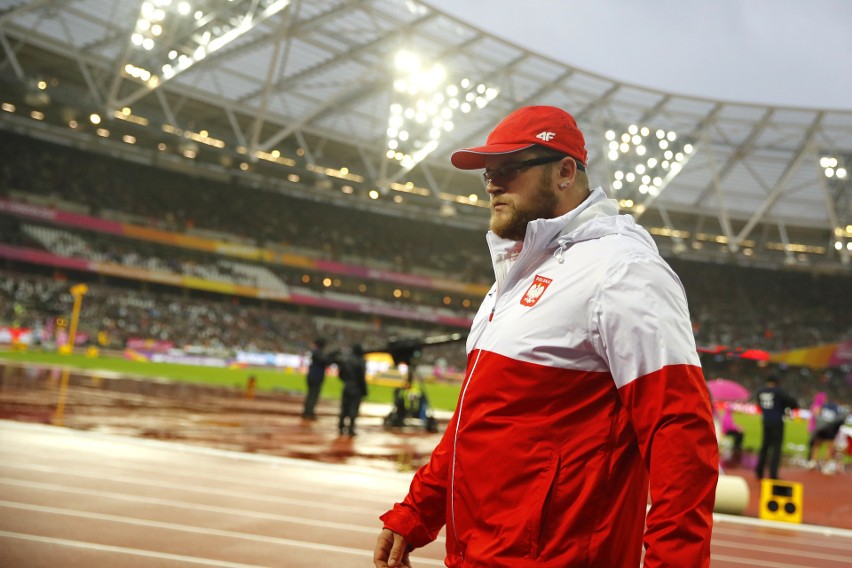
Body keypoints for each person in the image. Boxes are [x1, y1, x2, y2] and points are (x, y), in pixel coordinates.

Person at [373, 105, 719, 568]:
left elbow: (680, 435)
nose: (493, 183)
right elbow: (476, 422)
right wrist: (417, 510)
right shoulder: (513, 276)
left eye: (510, 168)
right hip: (478, 554)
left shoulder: (624, 270)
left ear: (564, 171)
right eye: (488, 173)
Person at [754, 374, 798, 480]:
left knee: (764, 447)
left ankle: (759, 471)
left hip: (766, 421)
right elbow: (793, 403)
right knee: (776, 448)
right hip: (777, 422)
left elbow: (760, 404)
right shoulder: (779, 392)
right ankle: (773, 473)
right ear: (777, 383)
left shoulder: (760, 391)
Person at [807, 392, 848, 472]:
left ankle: (813, 463)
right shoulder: (837, 407)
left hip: (821, 428)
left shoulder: (822, 406)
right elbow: (842, 417)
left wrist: (818, 422)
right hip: (830, 429)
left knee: (816, 446)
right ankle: (825, 465)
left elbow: (816, 413)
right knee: (829, 448)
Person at [335, 343, 368, 437]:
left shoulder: (347, 360)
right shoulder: (361, 362)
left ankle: (341, 427)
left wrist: (346, 381)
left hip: (347, 386)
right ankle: (351, 429)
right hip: (356, 388)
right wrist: (364, 390)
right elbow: (362, 378)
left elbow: (340, 374)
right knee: (353, 409)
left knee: (344, 407)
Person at [301, 337, 331, 421]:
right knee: (313, 396)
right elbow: (325, 361)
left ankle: (307, 412)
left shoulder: (315, 352)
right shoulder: (318, 352)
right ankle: (309, 413)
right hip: (316, 377)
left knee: (311, 395)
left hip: (312, 376)